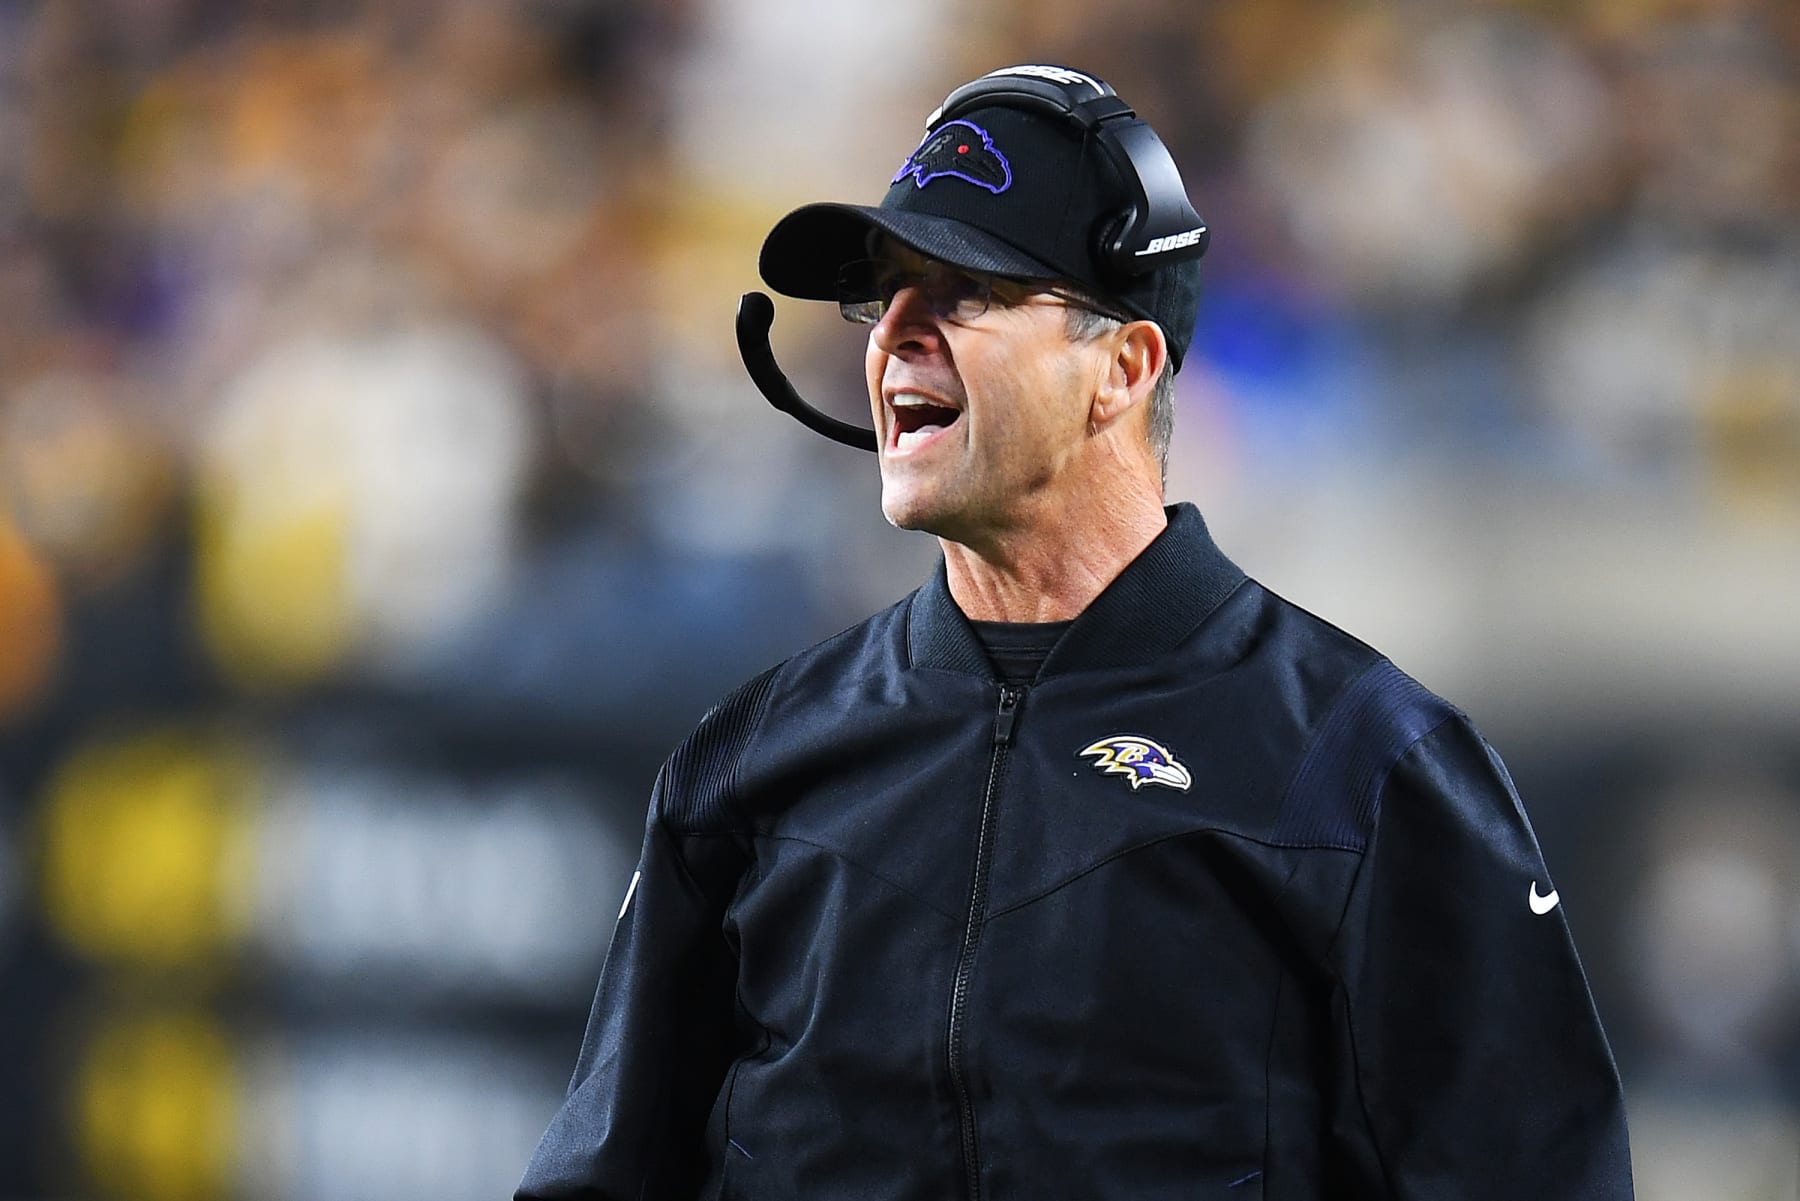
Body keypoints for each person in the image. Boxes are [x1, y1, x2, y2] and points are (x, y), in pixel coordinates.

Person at [516, 64, 1634, 1200]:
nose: (894, 334)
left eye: (964, 293)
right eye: (883, 294)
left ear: (1123, 367)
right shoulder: (755, 759)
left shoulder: (1364, 765)